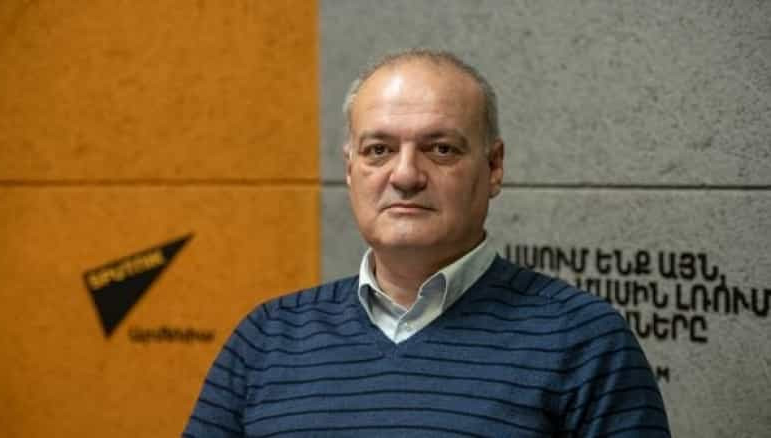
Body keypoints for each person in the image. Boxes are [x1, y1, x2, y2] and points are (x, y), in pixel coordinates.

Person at [183, 49, 670, 437]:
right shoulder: (267, 338)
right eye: (379, 150)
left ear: (494, 167)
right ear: (350, 170)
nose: (406, 175)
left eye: (441, 149)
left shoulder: (584, 340)